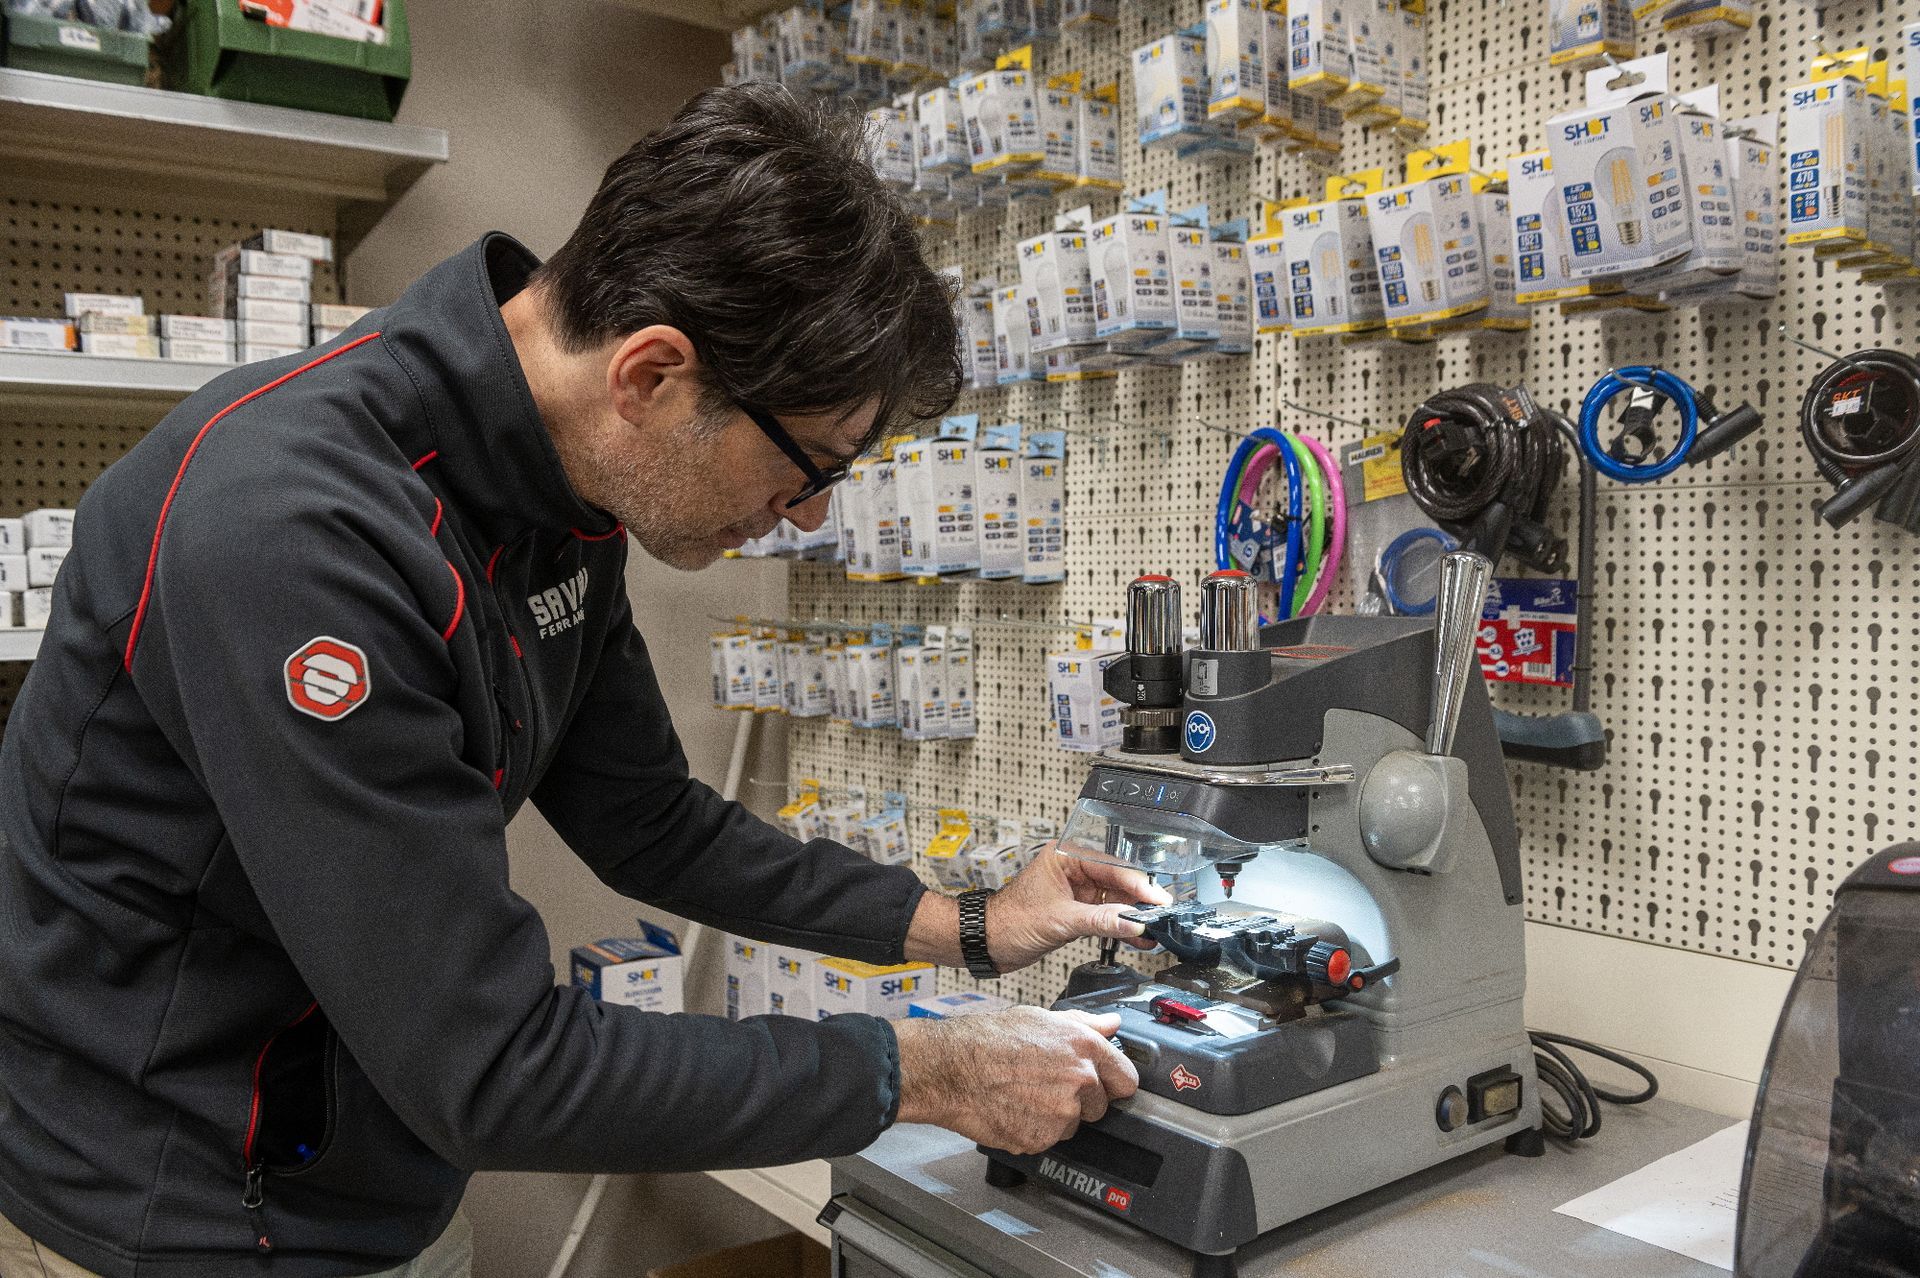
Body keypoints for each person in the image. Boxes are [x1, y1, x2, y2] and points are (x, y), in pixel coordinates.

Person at [0, 84, 1168, 1278]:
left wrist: (966, 926)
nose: (804, 514)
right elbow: (492, 1066)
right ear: (651, 374)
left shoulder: (562, 486)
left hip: (373, 1177)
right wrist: (925, 1070)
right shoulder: (295, 537)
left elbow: (648, 818)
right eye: (807, 465)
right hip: (179, 1221)